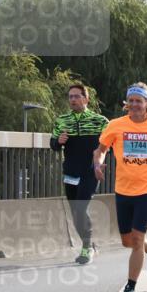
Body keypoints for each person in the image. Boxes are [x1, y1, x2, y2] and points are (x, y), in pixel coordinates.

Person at [93, 83, 147, 292]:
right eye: (132, 100)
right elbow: (101, 150)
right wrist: (98, 165)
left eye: (139, 100)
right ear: (127, 104)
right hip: (123, 189)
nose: (135, 104)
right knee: (128, 240)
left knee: (137, 238)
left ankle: (130, 288)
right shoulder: (116, 126)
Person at [50, 83, 108, 264]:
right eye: (70, 97)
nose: (73, 99)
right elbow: (53, 145)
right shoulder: (62, 120)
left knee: (81, 208)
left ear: (86, 99)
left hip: (90, 172)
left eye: (77, 96)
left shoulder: (100, 121)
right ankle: (88, 244)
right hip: (70, 173)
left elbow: (110, 145)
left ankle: (86, 248)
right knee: (75, 212)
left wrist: (100, 162)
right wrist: (58, 141)